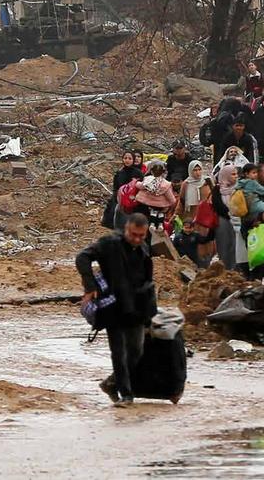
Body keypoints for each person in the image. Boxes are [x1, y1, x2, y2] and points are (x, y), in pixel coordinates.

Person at [76, 215, 157, 408]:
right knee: (118, 352)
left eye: (141, 235)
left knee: (136, 351)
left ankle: (111, 384)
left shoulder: (144, 249)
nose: (137, 239)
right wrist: (90, 286)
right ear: (126, 229)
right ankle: (126, 394)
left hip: (137, 307)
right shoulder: (109, 244)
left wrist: (150, 310)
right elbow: (82, 257)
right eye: (133, 234)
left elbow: (148, 280)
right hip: (114, 306)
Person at [134, 160, 177, 231]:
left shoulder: (147, 180)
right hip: (159, 208)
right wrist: (167, 205)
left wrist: (136, 182)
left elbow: (139, 186)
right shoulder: (166, 184)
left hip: (143, 207)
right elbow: (172, 200)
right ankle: (159, 225)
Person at [107, 150, 144, 231]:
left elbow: (142, 188)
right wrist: (118, 199)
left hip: (135, 203)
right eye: (125, 158)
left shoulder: (138, 173)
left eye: (130, 158)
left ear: (133, 160)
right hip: (121, 202)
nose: (127, 160)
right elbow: (115, 188)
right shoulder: (119, 173)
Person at [213, 165, 240, 269]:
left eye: (236, 174)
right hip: (223, 221)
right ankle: (224, 268)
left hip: (237, 220)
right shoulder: (218, 189)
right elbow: (217, 205)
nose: (236, 176)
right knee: (223, 245)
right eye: (233, 174)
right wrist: (230, 213)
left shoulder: (239, 188)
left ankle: (234, 269)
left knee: (235, 246)